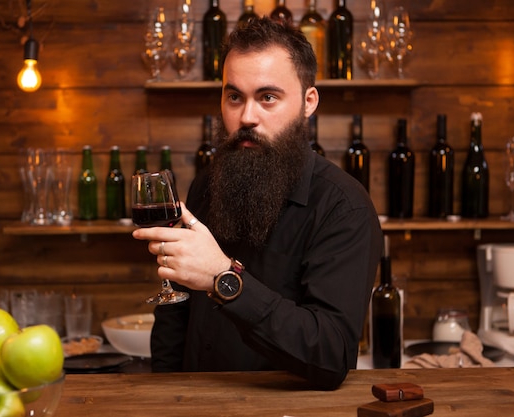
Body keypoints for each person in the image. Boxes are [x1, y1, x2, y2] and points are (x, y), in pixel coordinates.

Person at [132, 17, 383, 390]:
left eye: (268, 97)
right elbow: (174, 317)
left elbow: (331, 355)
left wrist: (223, 279)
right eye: (234, 97)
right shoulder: (207, 184)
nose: (247, 117)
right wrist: (165, 396)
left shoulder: (344, 208)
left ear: (308, 102)